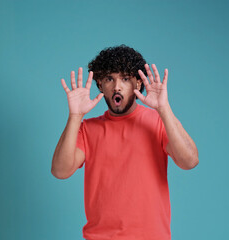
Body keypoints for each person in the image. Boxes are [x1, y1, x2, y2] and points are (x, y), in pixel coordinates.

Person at [51, 45, 199, 240]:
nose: (117, 86)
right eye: (109, 79)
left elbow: (189, 161)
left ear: (138, 84)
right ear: (100, 85)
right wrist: (75, 116)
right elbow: (60, 171)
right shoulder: (87, 129)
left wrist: (164, 109)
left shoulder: (158, 121)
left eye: (125, 78)